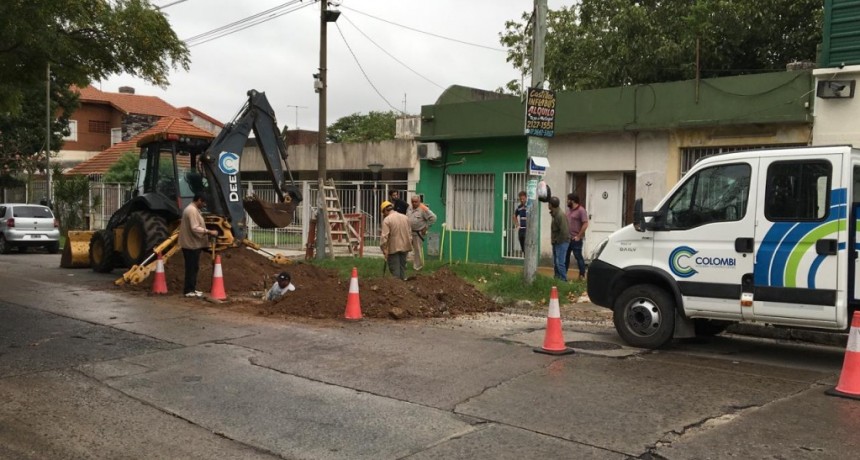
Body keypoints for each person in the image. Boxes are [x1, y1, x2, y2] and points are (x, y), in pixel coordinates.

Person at [179, 193, 218, 298]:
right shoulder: (192, 210)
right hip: (190, 245)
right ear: (199, 200)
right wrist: (209, 231)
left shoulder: (194, 210)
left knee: (194, 268)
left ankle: (192, 288)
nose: (204, 205)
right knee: (191, 268)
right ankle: (188, 290)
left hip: (193, 244)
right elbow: (195, 227)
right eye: (203, 202)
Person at [380, 200, 412, 280]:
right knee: (402, 269)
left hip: (393, 248)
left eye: (383, 213)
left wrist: (384, 249)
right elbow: (409, 233)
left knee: (395, 272)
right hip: (405, 247)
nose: (383, 215)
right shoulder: (405, 217)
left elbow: (384, 237)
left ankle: (397, 285)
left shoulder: (387, 220)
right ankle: (403, 284)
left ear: (385, 210)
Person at [406, 195, 437, 271]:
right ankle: (403, 265)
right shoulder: (409, 208)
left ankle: (417, 267)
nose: (414, 203)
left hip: (418, 233)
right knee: (405, 248)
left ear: (419, 201)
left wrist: (426, 227)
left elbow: (433, 218)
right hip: (409, 232)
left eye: (416, 202)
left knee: (417, 250)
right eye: (412, 202)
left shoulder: (423, 208)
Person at [565, 193, 590, 280]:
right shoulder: (569, 210)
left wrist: (579, 236)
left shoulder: (581, 210)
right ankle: (563, 275)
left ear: (572, 201)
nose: (567, 201)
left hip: (576, 239)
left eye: (568, 200)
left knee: (578, 257)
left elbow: (585, 224)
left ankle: (582, 275)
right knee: (566, 257)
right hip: (567, 239)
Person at [549, 196, 570, 282]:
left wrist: (558, 241)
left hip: (561, 242)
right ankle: (557, 278)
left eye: (549, 204)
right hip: (557, 241)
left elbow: (564, 231)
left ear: (551, 205)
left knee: (560, 262)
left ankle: (563, 280)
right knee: (556, 262)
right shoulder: (555, 214)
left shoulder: (559, 215)